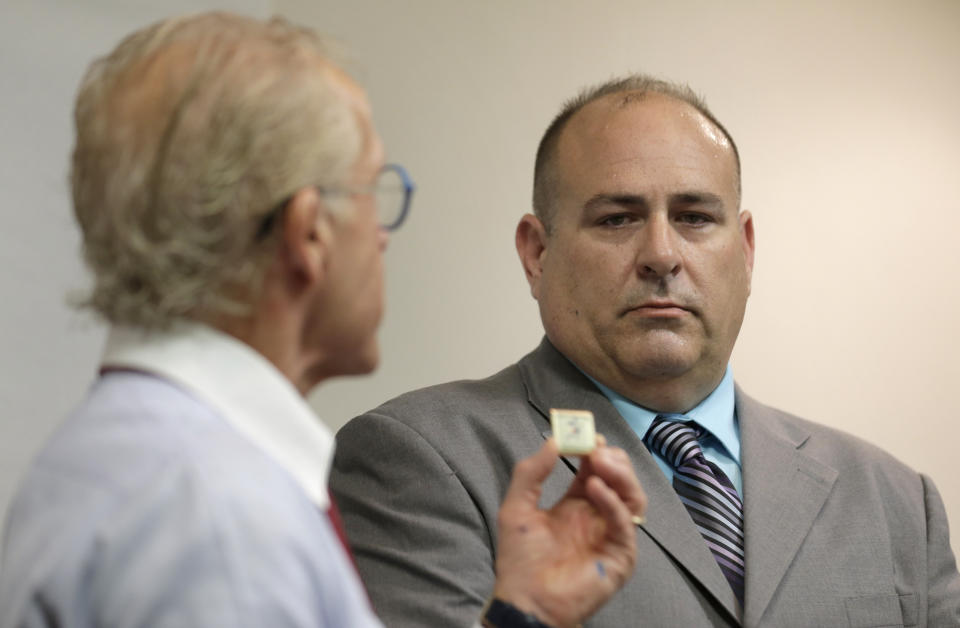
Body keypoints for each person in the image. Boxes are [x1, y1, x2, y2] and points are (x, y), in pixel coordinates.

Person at [0, 14, 647, 628]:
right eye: (374, 192)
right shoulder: (219, 515)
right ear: (308, 231)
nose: (383, 237)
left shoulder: (129, 458)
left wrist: (521, 612)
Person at [330, 75, 960, 627]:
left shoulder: (898, 502)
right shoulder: (417, 459)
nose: (662, 254)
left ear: (743, 249)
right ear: (536, 253)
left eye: (694, 217)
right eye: (617, 219)